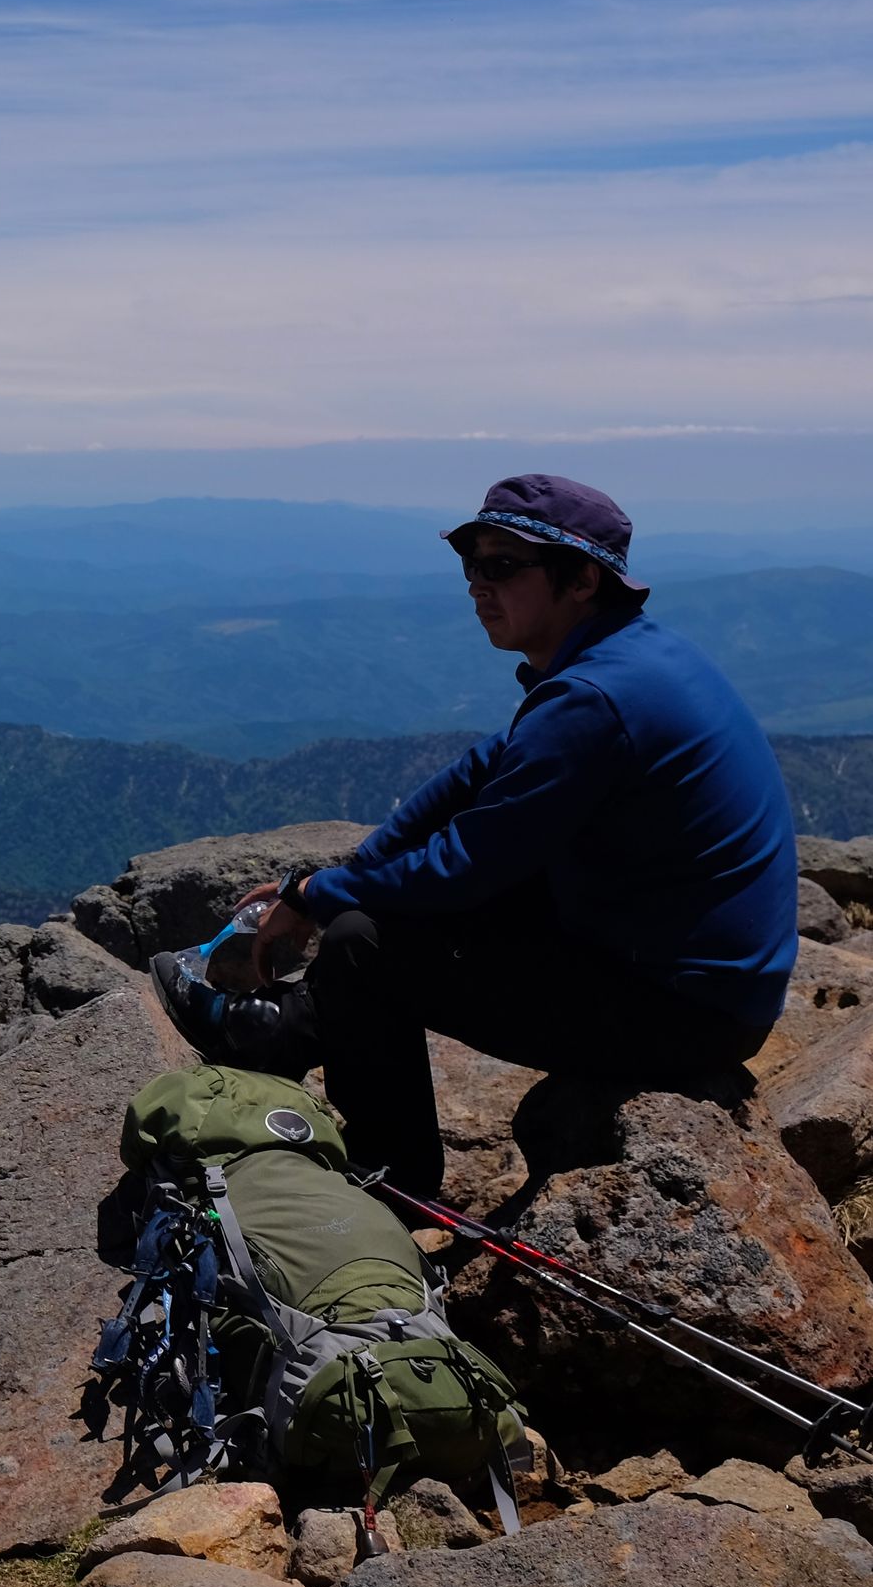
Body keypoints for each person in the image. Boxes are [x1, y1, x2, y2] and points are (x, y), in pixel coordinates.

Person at [164, 473, 800, 1202]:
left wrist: (319, 894)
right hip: (690, 972)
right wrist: (353, 868)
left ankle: (390, 1187)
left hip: (684, 1013)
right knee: (395, 902)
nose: (477, 587)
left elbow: (461, 870)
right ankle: (294, 1029)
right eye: (472, 566)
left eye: (503, 566)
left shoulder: (593, 698)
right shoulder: (626, 658)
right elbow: (480, 770)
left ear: (583, 579)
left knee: (363, 945)